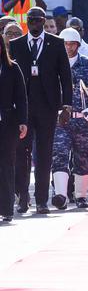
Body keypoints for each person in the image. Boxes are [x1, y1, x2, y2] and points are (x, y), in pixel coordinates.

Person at [9, 6, 72, 214]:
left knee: (44, 154)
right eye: (31, 20)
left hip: (47, 107)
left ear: (44, 22)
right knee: (21, 153)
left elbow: (65, 76)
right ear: (27, 22)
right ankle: (23, 198)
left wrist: (66, 105)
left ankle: (42, 200)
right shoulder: (16, 45)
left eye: (38, 21)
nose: (35, 24)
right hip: (23, 108)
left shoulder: (56, 44)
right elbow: (10, 79)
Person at [50, 27, 88, 211]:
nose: (68, 47)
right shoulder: (52, 65)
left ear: (78, 45)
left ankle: (81, 196)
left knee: (83, 157)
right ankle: (61, 195)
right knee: (59, 154)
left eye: (72, 44)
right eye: (64, 44)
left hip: (83, 119)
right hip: (60, 120)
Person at [0, 23, 28, 224]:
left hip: (7, 124)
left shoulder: (12, 67)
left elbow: (22, 97)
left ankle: (7, 208)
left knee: (6, 165)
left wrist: (22, 121)